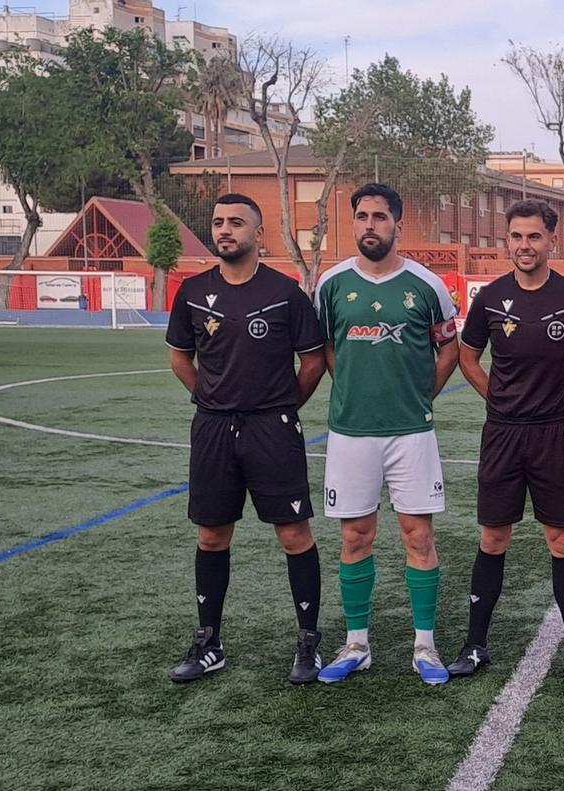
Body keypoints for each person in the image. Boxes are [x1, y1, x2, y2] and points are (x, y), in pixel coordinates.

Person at [165, 193, 327, 684]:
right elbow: (180, 357)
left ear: (259, 234)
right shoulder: (192, 291)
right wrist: (213, 400)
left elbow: (313, 361)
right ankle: (209, 640)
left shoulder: (286, 293)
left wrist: (279, 408)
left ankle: (307, 642)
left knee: (294, 534)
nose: (224, 230)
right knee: (212, 534)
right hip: (213, 429)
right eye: (218, 222)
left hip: (272, 428)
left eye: (236, 222)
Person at [447, 199, 564, 681]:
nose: (523, 245)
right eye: (516, 237)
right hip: (502, 433)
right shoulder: (492, 297)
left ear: (550, 239)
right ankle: (475, 644)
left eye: (533, 236)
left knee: (560, 539)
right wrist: (496, 399)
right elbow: (467, 357)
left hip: (551, 435)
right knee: (494, 536)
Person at [313, 183, 460, 686]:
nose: (369, 225)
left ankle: (426, 645)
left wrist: (422, 397)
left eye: (379, 216)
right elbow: (325, 351)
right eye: (361, 216)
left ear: (398, 224)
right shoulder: (331, 285)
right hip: (351, 433)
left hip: (410, 433)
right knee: (355, 536)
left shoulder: (427, 286)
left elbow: (449, 350)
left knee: (418, 535)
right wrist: (353, 392)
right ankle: (357, 644)